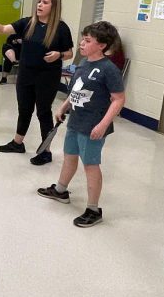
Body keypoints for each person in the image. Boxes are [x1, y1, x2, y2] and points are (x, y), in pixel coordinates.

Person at [36, 21, 125, 227]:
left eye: (87, 41)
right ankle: (60, 190)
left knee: (91, 165)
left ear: (102, 45)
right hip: (76, 121)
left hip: (93, 126)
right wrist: (64, 106)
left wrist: (103, 125)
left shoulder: (108, 69)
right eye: (82, 39)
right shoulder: (85, 63)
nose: (81, 44)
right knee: (69, 157)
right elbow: (76, 89)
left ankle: (93, 209)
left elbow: (119, 99)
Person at [0, 0, 74, 164]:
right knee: (24, 109)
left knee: (43, 112)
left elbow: (69, 53)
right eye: (39, 1)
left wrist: (58, 54)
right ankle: (18, 143)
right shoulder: (28, 23)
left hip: (47, 76)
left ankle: (46, 151)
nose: (39, 4)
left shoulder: (61, 28)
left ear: (53, 7)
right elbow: (3, 29)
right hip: (26, 74)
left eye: (44, 2)